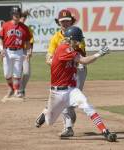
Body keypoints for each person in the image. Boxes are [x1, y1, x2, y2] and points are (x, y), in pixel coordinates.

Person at [35, 26, 117, 142]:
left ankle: (105, 131)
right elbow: (84, 60)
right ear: (70, 39)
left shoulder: (73, 50)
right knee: (49, 121)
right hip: (57, 93)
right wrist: (99, 54)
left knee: (87, 106)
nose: (79, 42)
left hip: (72, 90)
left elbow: (81, 61)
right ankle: (45, 112)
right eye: (77, 40)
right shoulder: (64, 48)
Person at [35, 9, 86, 137]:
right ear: (58, 23)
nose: (65, 23)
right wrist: (55, 62)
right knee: (65, 99)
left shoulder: (77, 33)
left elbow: (81, 55)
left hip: (78, 70)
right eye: (62, 21)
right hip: (63, 72)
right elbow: (48, 57)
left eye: (67, 21)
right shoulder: (55, 38)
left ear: (71, 21)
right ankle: (68, 127)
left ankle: (47, 110)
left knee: (70, 102)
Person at [0, 6, 32, 99]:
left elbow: (27, 42)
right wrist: (1, 49)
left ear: (20, 15)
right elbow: (0, 39)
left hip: (19, 51)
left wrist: (28, 52)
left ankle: (16, 91)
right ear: (12, 15)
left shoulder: (24, 28)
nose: (16, 15)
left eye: (17, 14)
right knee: (7, 74)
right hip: (7, 51)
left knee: (17, 73)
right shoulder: (6, 25)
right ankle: (11, 89)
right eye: (14, 14)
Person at [19, 10, 34, 97]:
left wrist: (30, 51)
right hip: (15, 51)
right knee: (16, 73)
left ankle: (22, 88)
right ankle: (18, 90)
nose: (23, 19)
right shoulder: (13, 27)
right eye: (21, 17)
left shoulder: (28, 29)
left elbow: (31, 42)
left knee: (27, 73)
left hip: (24, 52)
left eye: (24, 17)